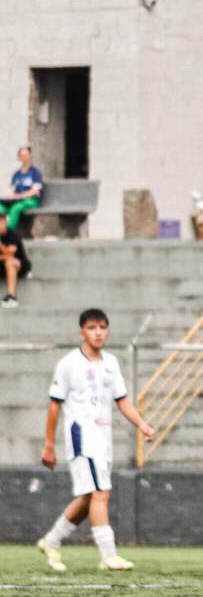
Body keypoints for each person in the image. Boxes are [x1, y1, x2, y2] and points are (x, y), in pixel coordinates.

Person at [36, 309, 155, 573]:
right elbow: (54, 406)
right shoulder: (69, 364)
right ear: (82, 331)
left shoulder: (111, 363)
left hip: (103, 439)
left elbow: (122, 400)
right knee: (101, 493)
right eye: (92, 327)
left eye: (103, 327)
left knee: (90, 496)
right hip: (82, 437)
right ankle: (109, 555)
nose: (98, 332)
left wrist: (142, 424)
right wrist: (49, 444)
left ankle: (51, 540)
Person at [0, 145, 43, 230]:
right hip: (16, 200)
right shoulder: (16, 174)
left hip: (31, 200)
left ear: (30, 156)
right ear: (19, 157)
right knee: (1, 207)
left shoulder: (35, 173)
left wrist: (20, 196)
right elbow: (12, 190)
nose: (24, 158)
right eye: (22, 155)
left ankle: (7, 233)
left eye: (26, 155)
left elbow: (35, 191)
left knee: (15, 209)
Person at [0, 216, 29, 308]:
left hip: (19, 265)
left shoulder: (12, 234)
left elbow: (10, 254)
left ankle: (11, 297)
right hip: (2, 266)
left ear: (4, 222)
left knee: (10, 262)